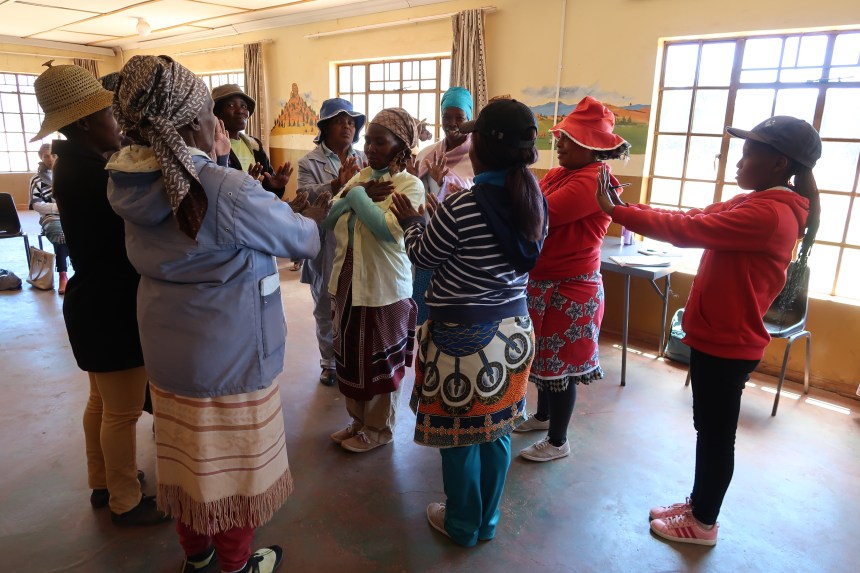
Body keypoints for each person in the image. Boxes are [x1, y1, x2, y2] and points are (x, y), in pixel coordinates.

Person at [108, 55, 325, 573]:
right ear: (186, 125)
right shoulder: (225, 188)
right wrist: (309, 212)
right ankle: (237, 566)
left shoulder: (127, 182)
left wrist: (219, 164)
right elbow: (300, 237)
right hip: (232, 354)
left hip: (168, 351)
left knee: (188, 464)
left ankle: (199, 559)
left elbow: (200, 216)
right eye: (210, 112)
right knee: (235, 470)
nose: (220, 123)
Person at [596, 115, 821, 546]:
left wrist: (616, 212)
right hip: (717, 335)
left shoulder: (770, 214)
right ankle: (699, 503)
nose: (738, 161)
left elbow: (688, 230)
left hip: (729, 342)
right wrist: (626, 209)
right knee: (709, 430)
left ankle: (703, 524)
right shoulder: (758, 202)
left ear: (778, 163)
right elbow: (693, 215)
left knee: (717, 437)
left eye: (749, 152)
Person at [390, 98, 547, 547]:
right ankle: (488, 521)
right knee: (497, 432)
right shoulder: (535, 202)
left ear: (480, 148)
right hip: (513, 338)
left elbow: (423, 256)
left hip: (463, 340)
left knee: (459, 437)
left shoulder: (462, 208)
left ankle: (461, 523)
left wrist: (413, 221)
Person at [32, 62, 164, 525]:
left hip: (93, 301)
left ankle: (103, 482)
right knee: (123, 411)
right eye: (110, 114)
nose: (118, 123)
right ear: (87, 122)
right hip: (111, 306)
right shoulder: (98, 175)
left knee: (103, 403)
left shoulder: (75, 163)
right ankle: (125, 501)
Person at [515, 96, 630, 462]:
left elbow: (539, 213)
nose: (559, 144)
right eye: (560, 137)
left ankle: (558, 440)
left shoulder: (592, 181)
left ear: (591, 146)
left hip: (571, 289)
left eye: (567, 139)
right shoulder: (562, 173)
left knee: (560, 367)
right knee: (545, 361)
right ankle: (543, 417)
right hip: (545, 282)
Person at [322, 107, 426, 453]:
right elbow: (329, 216)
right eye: (369, 141)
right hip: (348, 281)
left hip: (384, 289)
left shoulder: (410, 185)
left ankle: (379, 429)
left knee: (380, 360)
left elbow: (385, 231)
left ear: (401, 146)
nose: (370, 148)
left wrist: (355, 196)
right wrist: (356, 194)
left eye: (380, 142)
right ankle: (357, 420)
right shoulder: (363, 175)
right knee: (351, 356)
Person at [296, 98, 366, 386]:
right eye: (340, 121)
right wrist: (335, 184)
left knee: (357, 300)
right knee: (326, 302)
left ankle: (351, 357)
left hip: (359, 240)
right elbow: (304, 197)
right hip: (326, 241)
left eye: (351, 122)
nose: (347, 126)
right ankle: (328, 362)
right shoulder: (308, 162)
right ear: (324, 127)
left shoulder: (364, 158)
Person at [410, 86, 477, 325]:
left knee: (450, 313)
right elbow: (415, 192)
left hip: (459, 243)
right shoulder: (427, 153)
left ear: (469, 118)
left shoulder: (477, 156)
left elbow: (475, 195)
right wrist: (412, 179)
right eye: (447, 116)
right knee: (423, 312)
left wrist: (445, 181)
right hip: (429, 238)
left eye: (459, 117)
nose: (453, 123)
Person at [212, 83, 291, 199]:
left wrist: (275, 186)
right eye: (231, 105)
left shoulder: (255, 145)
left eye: (244, 106)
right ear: (216, 113)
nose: (240, 111)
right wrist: (244, 187)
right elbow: (215, 192)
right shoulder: (211, 147)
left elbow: (267, 191)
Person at [28, 143, 70, 294]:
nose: (50, 159)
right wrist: (57, 208)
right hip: (50, 217)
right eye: (46, 156)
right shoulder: (36, 179)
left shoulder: (67, 174)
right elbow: (37, 204)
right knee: (61, 235)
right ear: (41, 157)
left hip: (70, 214)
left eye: (53, 155)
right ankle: (63, 275)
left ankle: (82, 272)